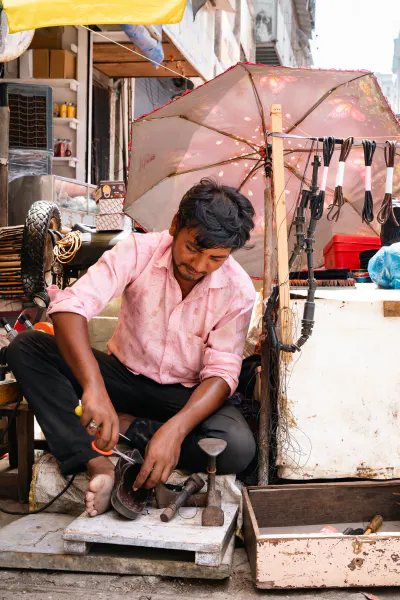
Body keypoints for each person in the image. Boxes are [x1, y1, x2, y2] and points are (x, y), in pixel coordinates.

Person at [7, 178, 257, 517]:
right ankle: (98, 463)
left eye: (215, 258)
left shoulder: (238, 288)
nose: (199, 266)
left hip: (184, 397)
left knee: (237, 447)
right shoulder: (138, 250)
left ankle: (129, 430)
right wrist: (94, 388)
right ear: (175, 227)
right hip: (121, 379)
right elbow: (71, 307)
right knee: (28, 347)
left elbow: (223, 372)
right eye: (193, 249)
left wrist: (175, 430)